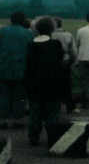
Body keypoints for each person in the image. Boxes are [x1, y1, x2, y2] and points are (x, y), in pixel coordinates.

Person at [0, 11, 33, 129]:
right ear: (23, 20)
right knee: (19, 95)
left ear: (11, 20)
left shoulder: (1, 31)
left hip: (2, 68)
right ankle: (18, 120)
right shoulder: (28, 34)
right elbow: (32, 52)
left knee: (3, 95)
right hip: (21, 70)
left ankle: (4, 120)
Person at [25, 16, 65, 146]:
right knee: (52, 113)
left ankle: (34, 136)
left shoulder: (30, 45)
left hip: (35, 84)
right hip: (53, 84)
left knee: (35, 112)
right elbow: (60, 63)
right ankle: (52, 137)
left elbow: (28, 66)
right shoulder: (56, 45)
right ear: (52, 29)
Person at [52, 17, 78, 113]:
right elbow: (73, 51)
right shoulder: (68, 35)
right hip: (65, 62)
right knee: (67, 85)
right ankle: (69, 106)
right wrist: (73, 61)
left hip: (53, 63)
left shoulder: (51, 35)